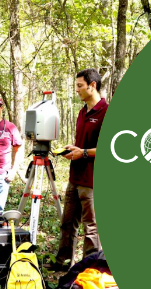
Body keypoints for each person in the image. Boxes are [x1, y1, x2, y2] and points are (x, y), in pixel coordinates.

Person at [48, 69, 109, 271]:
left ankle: (88, 270)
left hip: (92, 179)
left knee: (91, 228)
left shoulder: (106, 111)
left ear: (93, 85)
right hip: (75, 177)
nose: (77, 90)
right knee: (68, 222)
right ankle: (63, 263)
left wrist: (82, 153)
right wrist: (73, 149)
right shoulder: (83, 112)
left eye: (80, 86)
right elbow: (82, 144)